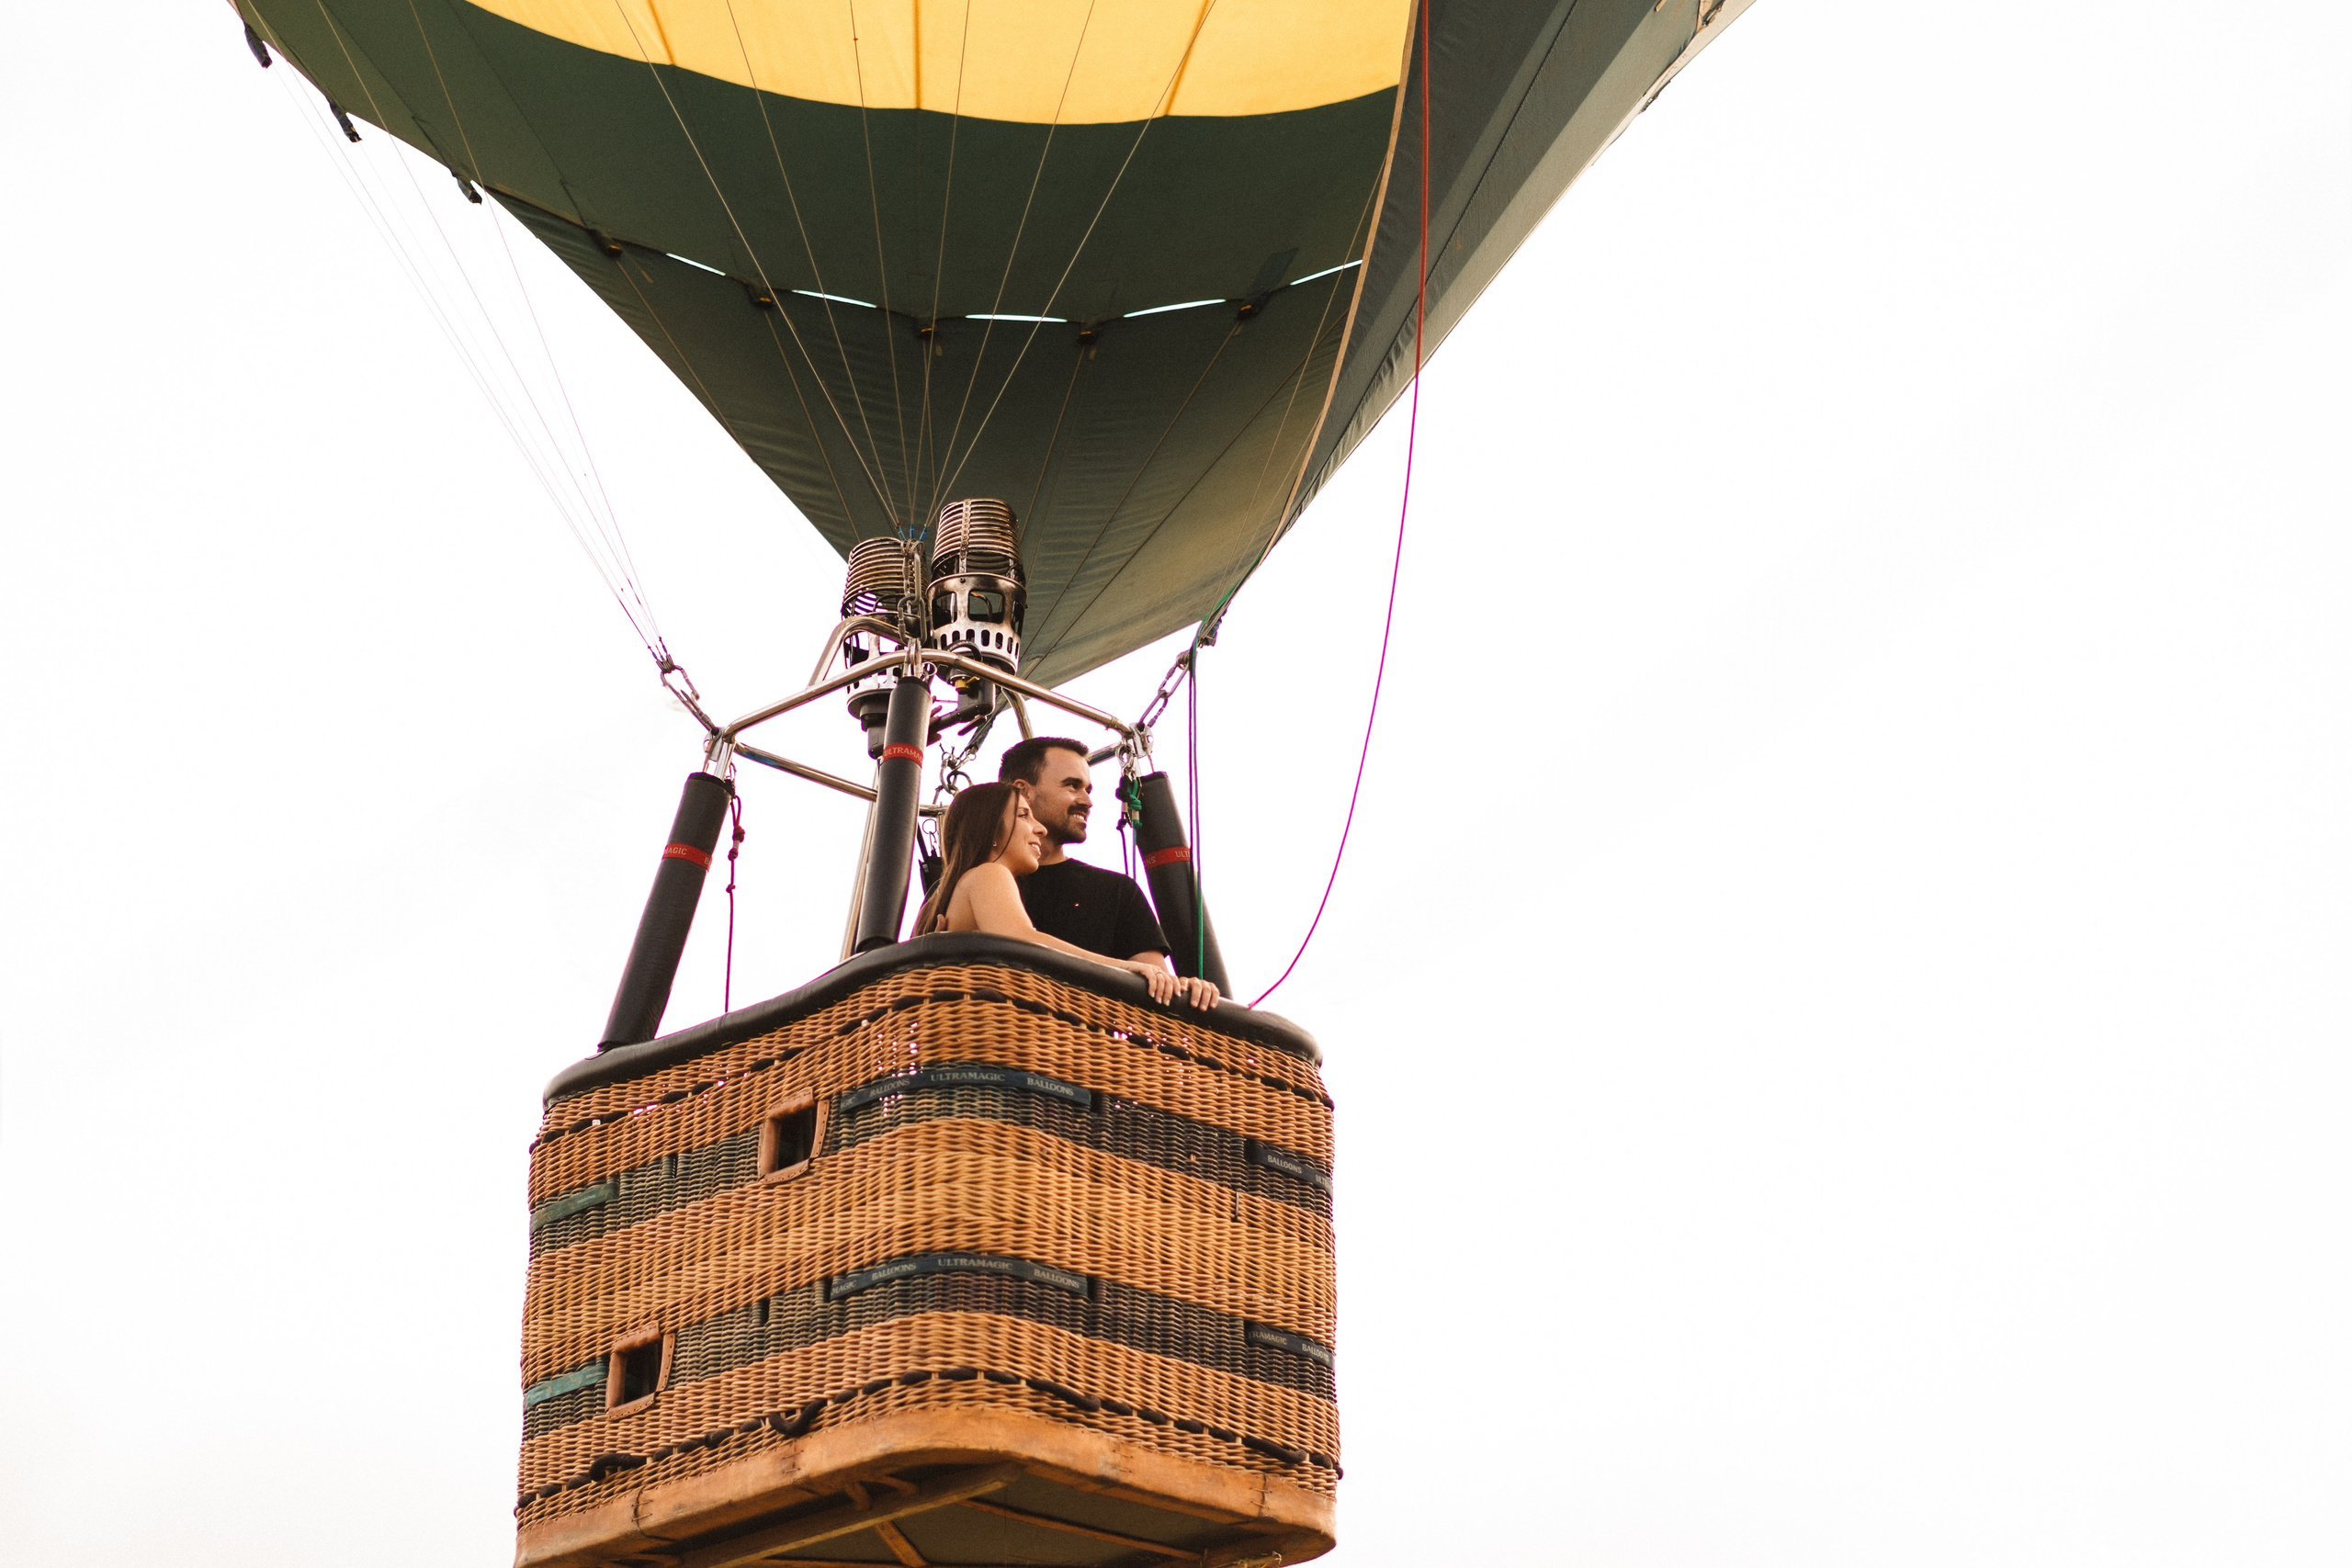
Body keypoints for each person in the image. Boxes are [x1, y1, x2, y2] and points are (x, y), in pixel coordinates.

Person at [913, 783, 1218, 1009]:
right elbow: (1023, 941)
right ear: (992, 829)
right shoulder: (989, 873)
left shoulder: (949, 894)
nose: (1039, 829)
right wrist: (1126, 968)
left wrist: (1178, 986)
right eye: (1023, 815)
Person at [996, 736, 1196, 977]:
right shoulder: (981, 879)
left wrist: (1192, 989)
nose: (1087, 801)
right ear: (1023, 791)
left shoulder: (1117, 891)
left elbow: (1159, 985)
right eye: (1072, 785)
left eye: (1087, 789)